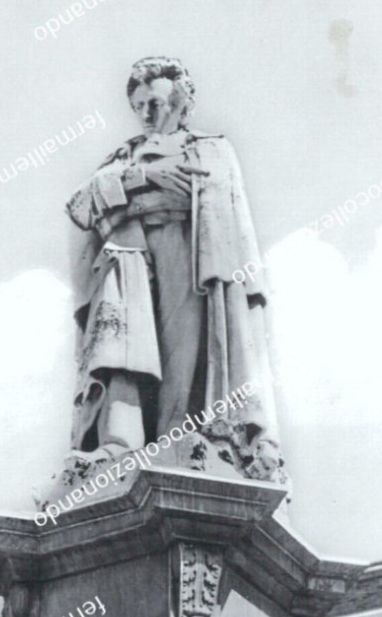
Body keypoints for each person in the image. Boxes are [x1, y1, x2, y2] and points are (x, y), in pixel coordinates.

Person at [64, 56, 281, 481]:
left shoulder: (210, 147)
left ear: (180, 102)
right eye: (139, 105)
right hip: (127, 262)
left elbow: (204, 202)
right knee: (122, 352)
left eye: (155, 103)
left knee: (183, 355)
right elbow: (80, 206)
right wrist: (151, 176)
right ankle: (119, 445)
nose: (146, 114)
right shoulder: (123, 155)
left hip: (189, 255)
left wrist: (129, 197)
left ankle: (176, 444)